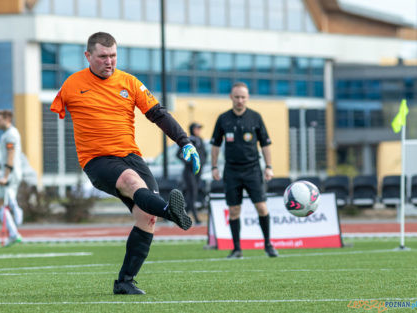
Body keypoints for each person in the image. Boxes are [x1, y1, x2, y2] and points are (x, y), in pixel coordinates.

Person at [50, 32, 200, 295]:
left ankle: (125, 281)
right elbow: (55, 120)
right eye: (103, 56)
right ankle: (172, 212)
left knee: (147, 217)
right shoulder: (71, 85)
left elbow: (158, 114)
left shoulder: (128, 82)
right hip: (97, 160)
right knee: (131, 182)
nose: (109, 62)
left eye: (113, 56)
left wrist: (184, 142)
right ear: (88, 56)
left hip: (131, 156)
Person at [211, 82, 278, 259]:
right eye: (237, 97)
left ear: (247, 98)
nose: (240, 100)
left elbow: (265, 144)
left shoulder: (255, 117)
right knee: (234, 210)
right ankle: (237, 249)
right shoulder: (223, 118)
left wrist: (269, 167)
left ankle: (268, 245)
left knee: (262, 207)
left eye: (243, 97)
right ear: (231, 97)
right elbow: (215, 145)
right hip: (231, 171)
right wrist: (214, 166)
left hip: (253, 169)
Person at [0, 110, 24, 247]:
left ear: (7, 119)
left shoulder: (10, 134)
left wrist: (5, 176)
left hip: (10, 173)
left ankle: (16, 209)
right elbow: (7, 155)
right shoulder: (7, 134)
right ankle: (13, 234)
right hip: (9, 171)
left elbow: (11, 154)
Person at [177, 122, 207, 224]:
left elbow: (204, 153)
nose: (199, 130)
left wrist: (203, 162)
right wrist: (189, 162)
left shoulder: (200, 140)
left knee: (191, 194)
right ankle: (196, 218)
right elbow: (179, 154)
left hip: (198, 172)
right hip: (189, 172)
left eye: (199, 128)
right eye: (197, 128)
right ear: (192, 129)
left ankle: (181, 216)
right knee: (193, 193)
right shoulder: (188, 141)